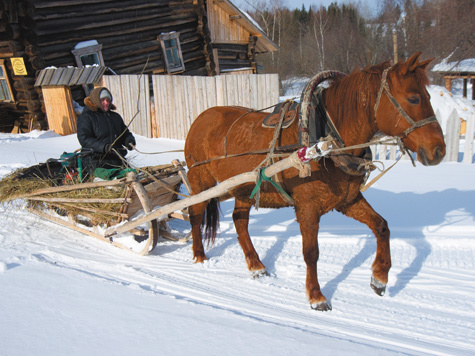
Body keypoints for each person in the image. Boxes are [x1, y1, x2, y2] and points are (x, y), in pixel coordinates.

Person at [76, 87, 136, 178]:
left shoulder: (115, 117)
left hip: (116, 160)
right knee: (112, 177)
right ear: (96, 101)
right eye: (103, 100)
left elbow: (125, 133)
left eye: (108, 100)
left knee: (133, 175)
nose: (106, 103)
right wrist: (103, 147)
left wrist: (129, 140)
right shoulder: (86, 118)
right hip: (96, 161)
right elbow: (84, 139)